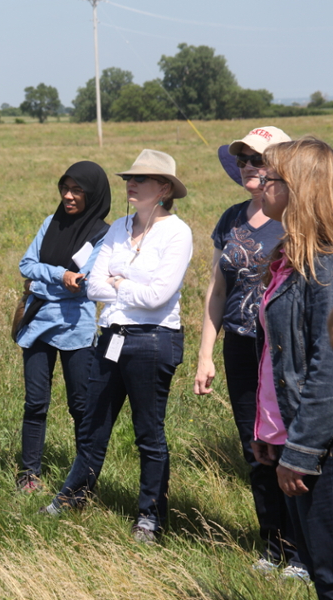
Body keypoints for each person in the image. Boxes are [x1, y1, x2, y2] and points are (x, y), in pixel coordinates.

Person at [41, 149, 191, 544]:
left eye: (140, 179)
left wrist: (119, 283)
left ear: (164, 189)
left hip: (152, 341)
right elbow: (93, 285)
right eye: (129, 178)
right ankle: (73, 497)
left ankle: (150, 518)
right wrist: (120, 286)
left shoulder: (177, 232)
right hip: (110, 338)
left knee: (148, 433)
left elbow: (158, 296)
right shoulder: (118, 227)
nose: (131, 184)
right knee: (92, 424)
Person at [193, 126, 306, 577]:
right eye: (242, 160)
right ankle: (272, 545)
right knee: (254, 446)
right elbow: (217, 289)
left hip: (280, 347)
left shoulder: (296, 218)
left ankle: (301, 552)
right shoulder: (231, 218)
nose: (248, 168)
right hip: (240, 346)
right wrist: (206, 353)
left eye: (257, 160)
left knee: (291, 444)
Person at [251, 137, 333, 598]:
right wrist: (271, 431)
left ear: (300, 189)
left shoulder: (326, 269)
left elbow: (328, 369)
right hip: (293, 437)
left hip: (321, 451)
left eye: (271, 178)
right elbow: (277, 359)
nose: (260, 185)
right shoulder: (289, 260)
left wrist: (299, 451)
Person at [14, 161, 111, 492]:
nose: (68, 196)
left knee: (80, 405)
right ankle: (28, 473)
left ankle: (82, 477)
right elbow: (26, 265)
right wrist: (59, 276)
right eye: (64, 188)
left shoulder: (103, 233)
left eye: (77, 190)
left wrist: (49, 278)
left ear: (93, 194)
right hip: (38, 323)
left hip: (76, 328)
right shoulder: (49, 223)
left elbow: (87, 285)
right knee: (35, 402)